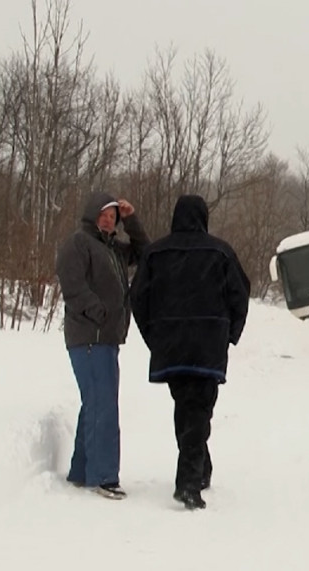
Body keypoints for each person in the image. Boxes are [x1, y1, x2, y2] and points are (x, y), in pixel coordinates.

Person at [129, 194, 250, 510]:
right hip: (207, 345)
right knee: (197, 409)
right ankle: (188, 484)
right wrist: (229, 334)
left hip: (172, 347)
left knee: (188, 408)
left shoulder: (156, 253)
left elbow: (138, 298)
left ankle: (201, 470)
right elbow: (240, 294)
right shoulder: (220, 252)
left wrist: (154, 335)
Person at [55, 191, 149, 500]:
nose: (108, 219)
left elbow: (144, 252)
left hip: (106, 338)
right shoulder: (79, 244)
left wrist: (131, 218)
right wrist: (100, 313)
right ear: (92, 214)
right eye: (104, 214)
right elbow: (73, 287)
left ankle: (82, 471)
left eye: (113, 216)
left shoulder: (113, 250)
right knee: (103, 405)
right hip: (89, 337)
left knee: (96, 402)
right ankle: (104, 476)